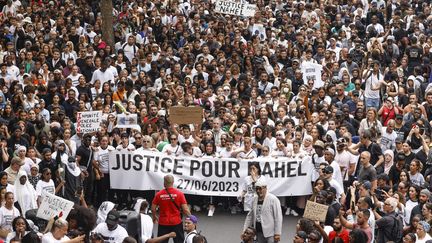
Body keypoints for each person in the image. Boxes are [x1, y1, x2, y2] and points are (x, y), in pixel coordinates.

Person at [151, 175, 191, 243]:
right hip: (176, 222)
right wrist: (191, 218)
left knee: (161, 241)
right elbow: (185, 210)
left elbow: (153, 208)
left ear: (164, 183)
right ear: (173, 182)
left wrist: (154, 217)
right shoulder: (179, 194)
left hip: (163, 223)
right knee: (179, 241)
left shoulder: (159, 194)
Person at [243, 177, 282, 243]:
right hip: (258, 232)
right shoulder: (255, 199)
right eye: (256, 189)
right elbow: (250, 216)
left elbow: (278, 217)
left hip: (270, 233)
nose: (258, 191)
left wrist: (277, 233)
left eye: (260, 188)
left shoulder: (273, 199)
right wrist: (244, 230)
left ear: (265, 188)